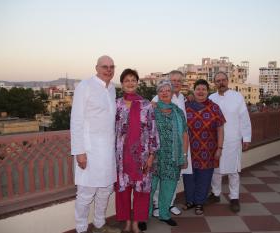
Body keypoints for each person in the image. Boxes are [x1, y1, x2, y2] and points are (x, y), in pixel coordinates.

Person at [70, 55, 120, 233]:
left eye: (111, 66)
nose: (109, 70)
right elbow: (76, 121)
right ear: (96, 68)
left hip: (108, 152)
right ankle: (81, 228)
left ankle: (100, 225)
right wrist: (79, 151)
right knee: (85, 193)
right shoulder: (85, 86)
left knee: (105, 190)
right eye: (105, 66)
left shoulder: (112, 88)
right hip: (90, 151)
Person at [114, 69, 160, 233]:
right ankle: (126, 222)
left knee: (141, 192)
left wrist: (151, 155)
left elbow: (153, 130)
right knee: (123, 192)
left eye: (133, 80)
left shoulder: (146, 104)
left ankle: (136, 223)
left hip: (142, 156)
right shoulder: (116, 104)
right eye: (127, 80)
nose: (130, 83)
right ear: (122, 84)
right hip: (122, 157)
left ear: (137, 82)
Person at [151, 70, 192, 217]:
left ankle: (169, 204)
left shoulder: (182, 99)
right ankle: (156, 206)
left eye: (178, 81)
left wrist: (185, 153)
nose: (175, 83)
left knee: (174, 178)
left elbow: (184, 131)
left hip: (176, 149)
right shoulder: (156, 101)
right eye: (172, 80)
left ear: (182, 83)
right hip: (158, 152)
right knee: (156, 181)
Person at [208, 71, 252, 213]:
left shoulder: (237, 96)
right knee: (216, 169)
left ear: (227, 81)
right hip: (215, 140)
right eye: (218, 80)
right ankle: (216, 194)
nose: (221, 82)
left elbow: (244, 118)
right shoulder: (211, 98)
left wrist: (246, 138)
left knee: (233, 170)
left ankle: (234, 198)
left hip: (233, 139)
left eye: (223, 80)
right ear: (214, 83)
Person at [183, 79, 225, 215]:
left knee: (205, 177)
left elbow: (220, 129)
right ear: (193, 91)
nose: (200, 92)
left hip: (208, 149)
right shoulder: (185, 106)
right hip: (189, 149)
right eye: (198, 89)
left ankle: (199, 203)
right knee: (189, 176)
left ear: (208, 91)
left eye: (203, 89)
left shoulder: (214, 108)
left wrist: (219, 148)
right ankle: (190, 200)